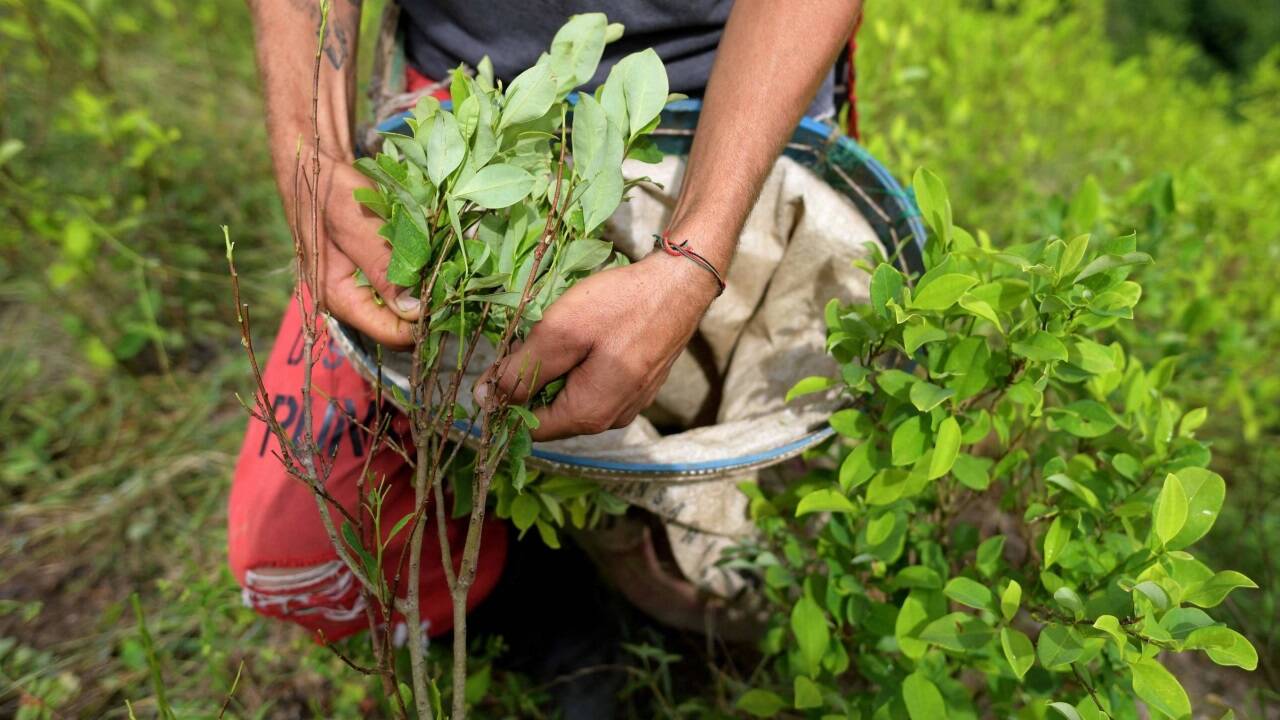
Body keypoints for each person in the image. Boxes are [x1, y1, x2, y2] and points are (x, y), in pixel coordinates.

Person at [229, 0, 861, 658]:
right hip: (463, 108)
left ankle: (667, 622)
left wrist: (695, 257)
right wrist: (313, 153)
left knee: (773, 515)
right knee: (298, 555)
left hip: (730, 99)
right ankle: (549, 625)